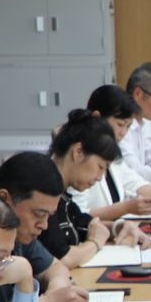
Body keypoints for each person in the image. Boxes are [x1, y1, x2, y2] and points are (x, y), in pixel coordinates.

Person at [0, 151, 89, 302]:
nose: (44, 225)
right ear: (4, 200)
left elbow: (55, 267)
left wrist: (57, 291)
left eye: (48, 216)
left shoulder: (19, 237)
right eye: (38, 214)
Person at [41, 110, 131, 268]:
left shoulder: (63, 193)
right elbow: (62, 257)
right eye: (100, 167)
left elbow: (81, 222)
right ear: (78, 152)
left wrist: (118, 227)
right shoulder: (43, 191)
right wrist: (94, 243)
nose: (100, 177)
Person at [70, 85, 151, 226]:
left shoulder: (109, 150)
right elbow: (77, 215)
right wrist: (125, 208)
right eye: (120, 124)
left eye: (128, 126)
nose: (123, 133)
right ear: (97, 117)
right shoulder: (80, 155)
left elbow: (132, 180)